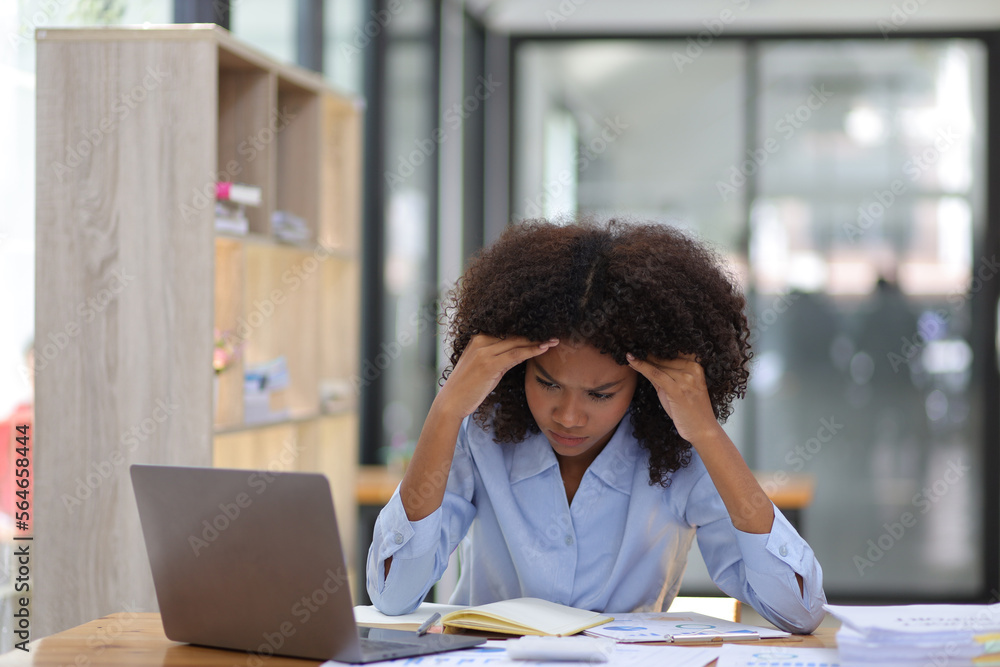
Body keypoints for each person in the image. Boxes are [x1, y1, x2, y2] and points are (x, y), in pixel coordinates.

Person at [366, 219, 827, 633]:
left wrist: (707, 433)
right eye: (547, 383)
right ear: (515, 370)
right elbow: (393, 594)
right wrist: (447, 410)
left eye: (600, 394)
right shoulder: (482, 437)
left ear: (646, 384)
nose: (568, 416)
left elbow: (798, 610)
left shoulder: (679, 452)